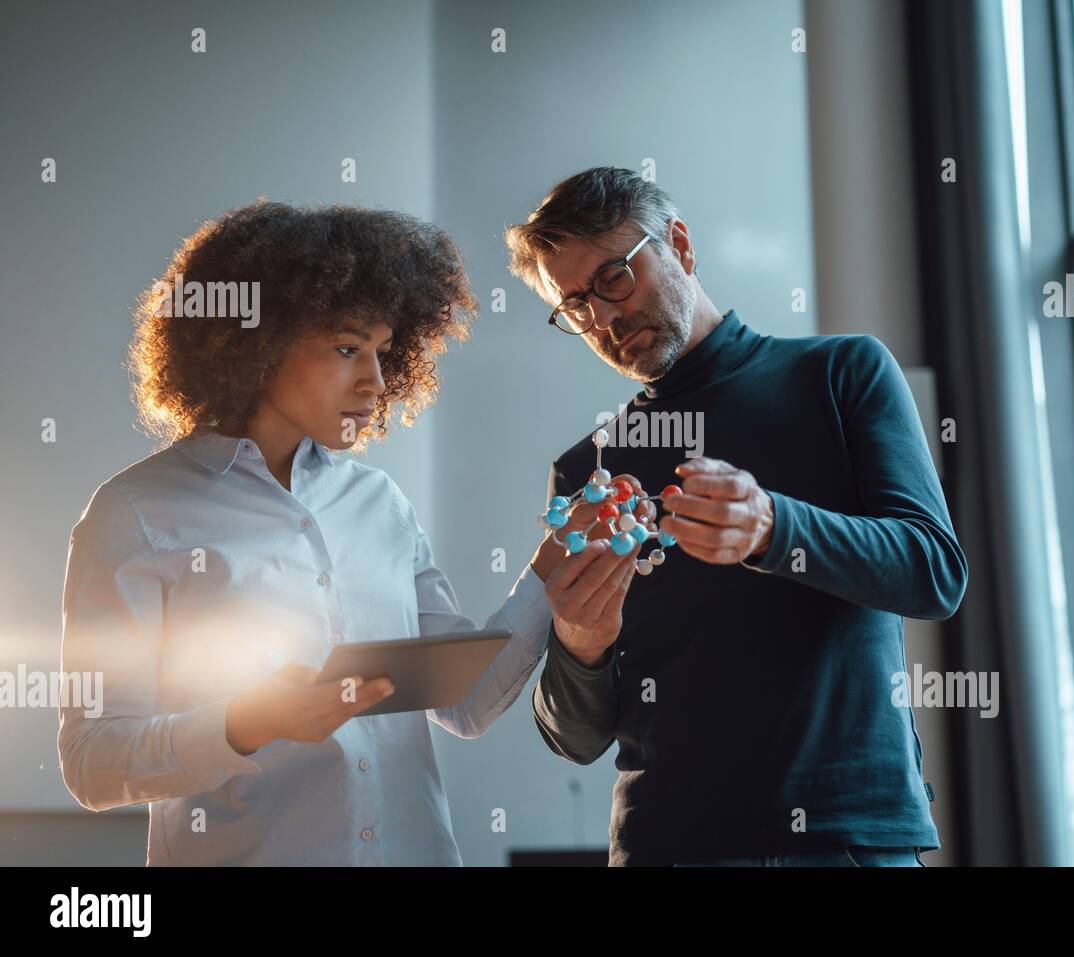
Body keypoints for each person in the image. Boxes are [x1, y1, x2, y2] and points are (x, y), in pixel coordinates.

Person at [57, 200, 638, 865]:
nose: (377, 381)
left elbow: (467, 702)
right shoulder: (133, 512)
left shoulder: (376, 500)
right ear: (258, 340)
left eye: (385, 351)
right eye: (346, 348)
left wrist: (550, 567)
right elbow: (91, 761)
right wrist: (249, 722)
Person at [510, 168, 969, 866]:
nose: (601, 319)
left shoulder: (841, 375)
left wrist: (773, 528)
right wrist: (581, 643)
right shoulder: (586, 472)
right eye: (573, 305)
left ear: (681, 246)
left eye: (612, 279)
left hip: (844, 836)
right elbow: (575, 736)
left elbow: (934, 572)